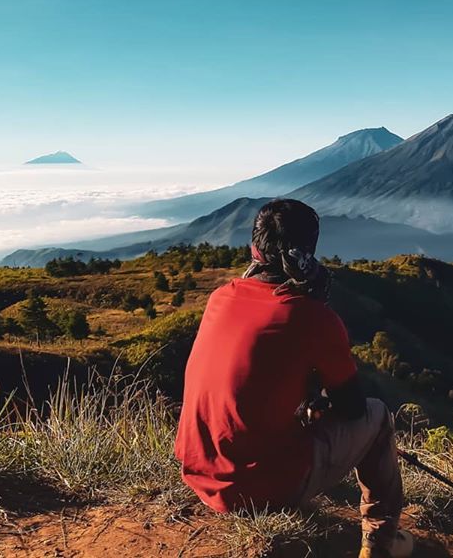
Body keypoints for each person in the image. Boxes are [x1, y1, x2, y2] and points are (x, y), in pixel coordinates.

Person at [174, 198, 412, 558]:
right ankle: (379, 544)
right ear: (308, 253)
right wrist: (317, 302)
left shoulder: (220, 298)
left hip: (200, 475)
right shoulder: (313, 317)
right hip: (260, 488)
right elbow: (352, 409)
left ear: (255, 246)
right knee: (377, 415)